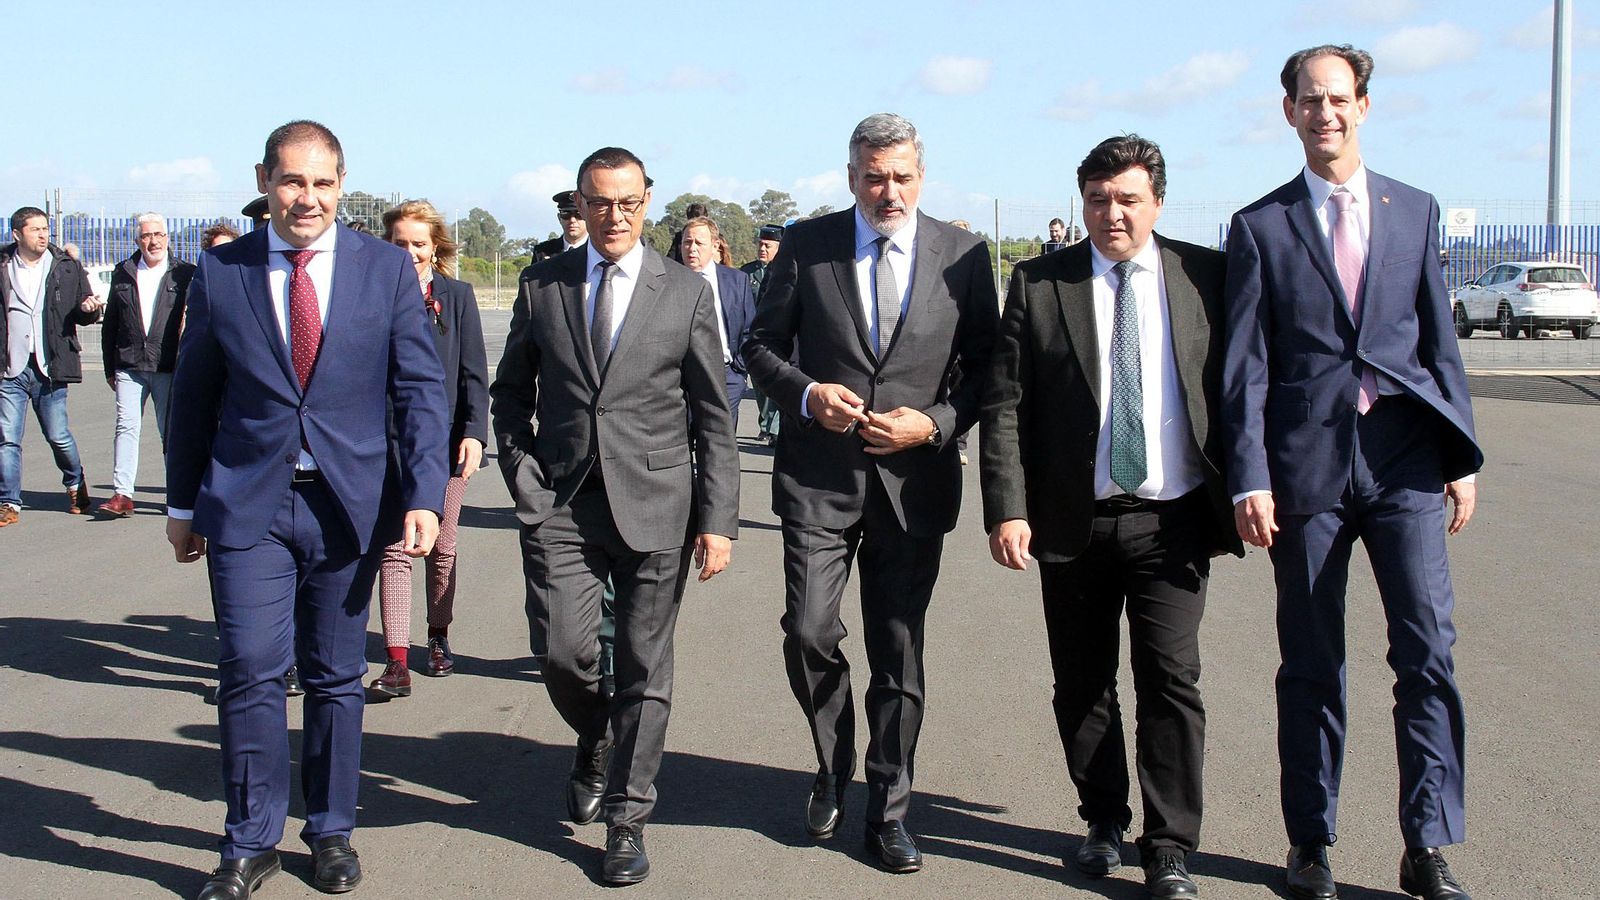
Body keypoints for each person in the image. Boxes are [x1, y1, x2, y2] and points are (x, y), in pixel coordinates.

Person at [1222, 45, 1482, 900]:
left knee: (1427, 655)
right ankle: (1311, 842)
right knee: (1310, 662)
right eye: (1309, 99)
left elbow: (1438, 340)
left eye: (1338, 97)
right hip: (1305, 472)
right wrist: (1249, 474)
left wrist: (1460, 453)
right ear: (1288, 111)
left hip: (1406, 460)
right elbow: (1247, 366)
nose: (1324, 112)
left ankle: (1429, 845)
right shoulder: (1259, 226)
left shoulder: (1414, 209)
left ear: (1363, 105)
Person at [166, 120, 449, 900]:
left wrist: (423, 494)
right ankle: (248, 842)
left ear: (342, 184)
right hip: (247, 505)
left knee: (333, 677)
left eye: (324, 184)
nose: (308, 198)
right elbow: (192, 400)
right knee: (250, 670)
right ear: (264, 180)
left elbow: (422, 390)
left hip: (348, 505)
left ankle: (330, 833)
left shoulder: (386, 269)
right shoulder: (221, 273)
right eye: (293, 181)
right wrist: (182, 501)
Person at [981, 135, 1243, 900]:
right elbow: (1005, 406)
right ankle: (1102, 821)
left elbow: (1236, 389)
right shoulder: (1039, 283)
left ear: (1157, 201)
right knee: (1082, 682)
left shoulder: (1206, 276)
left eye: (1127, 199)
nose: (1111, 214)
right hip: (1072, 520)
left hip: (1173, 522)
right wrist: (1008, 509)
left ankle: (1169, 846)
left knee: (1170, 680)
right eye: (1097, 200)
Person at [742, 113, 997, 873]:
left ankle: (888, 810)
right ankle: (832, 765)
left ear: (923, 174)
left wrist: (936, 423)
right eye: (874, 177)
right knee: (810, 632)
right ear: (851, 176)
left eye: (902, 177)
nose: (889, 191)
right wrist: (806, 392)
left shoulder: (964, 255)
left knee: (898, 650)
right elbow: (758, 346)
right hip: (819, 480)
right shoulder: (808, 245)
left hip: (912, 486)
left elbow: (989, 367)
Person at [491, 146, 738, 885]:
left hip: (659, 503)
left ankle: (628, 819)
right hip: (562, 502)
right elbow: (509, 395)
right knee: (563, 651)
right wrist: (522, 474)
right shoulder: (544, 286)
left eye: (629, 203)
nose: (615, 216)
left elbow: (712, 417)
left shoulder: (686, 292)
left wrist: (718, 519)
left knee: (644, 664)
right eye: (600, 202)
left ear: (647, 202)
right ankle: (595, 737)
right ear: (579, 204)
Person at [368, 200, 488, 698]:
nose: (411, 252)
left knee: (441, 548)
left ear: (435, 246)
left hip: (444, 445)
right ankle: (397, 659)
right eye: (400, 243)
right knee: (394, 550)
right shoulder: (369, 295)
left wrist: (475, 433)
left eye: (419, 243)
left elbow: (474, 373)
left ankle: (438, 636)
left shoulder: (456, 297)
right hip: (386, 444)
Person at [0, 206, 102, 527]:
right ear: (17, 234)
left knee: (58, 436)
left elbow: (86, 309)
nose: (43, 235)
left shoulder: (66, 267)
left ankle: (74, 482)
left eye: (46, 229)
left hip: (50, 365)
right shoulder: (3, 266)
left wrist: (88, 309)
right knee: (7, 439)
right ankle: (9, 502)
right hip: (10, 367)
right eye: (36, 230)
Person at [95, 213, 196, 518]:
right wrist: (109, 369)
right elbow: (110, 323)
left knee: (171, 432)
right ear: (137, 240)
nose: (152, 241)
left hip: (168, 366)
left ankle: (177, 494)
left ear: (167, 238)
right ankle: (123, 494)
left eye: (158, 235)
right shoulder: (124, 273)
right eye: (145, 236)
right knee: (126, 427)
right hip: (129, 365)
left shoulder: (184, 274)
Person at [679, 215, 757, 432]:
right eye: (687, 242)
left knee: (719, 445)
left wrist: (739, 371)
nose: (691, 248)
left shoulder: (736, 280)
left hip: (726, 376)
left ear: (714, 246)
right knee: (681, 444)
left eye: (698, 243)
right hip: (681, 379)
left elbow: (749, 328)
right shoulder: (668, 280)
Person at [741, 224, 784, 445]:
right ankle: (766, 423)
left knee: (778, 382)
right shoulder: (746, 272)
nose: (763, 249)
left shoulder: (785, 270)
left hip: (778, 337)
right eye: (760, 244)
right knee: (760, 386)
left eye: (768, 245)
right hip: (753, 338)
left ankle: (773, 428)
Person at [532, 190, 588, 262]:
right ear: (559, 218)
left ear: (588, 217)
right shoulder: (542, 251)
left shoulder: (598, 250)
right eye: (566, 214)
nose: (572, 220)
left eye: (579, 215)